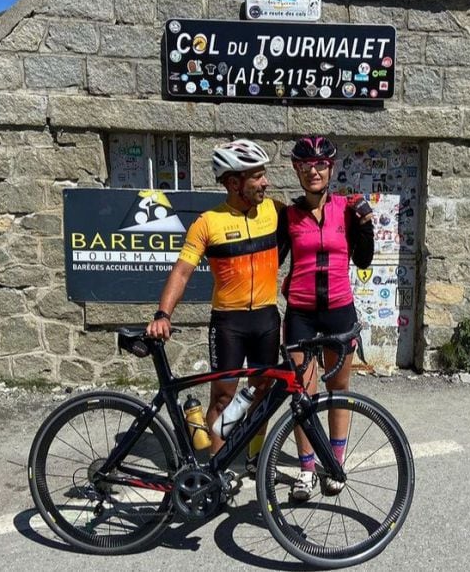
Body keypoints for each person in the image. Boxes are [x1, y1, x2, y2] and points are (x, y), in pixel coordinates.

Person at [147, 139, 283, 472]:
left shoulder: (275, 210)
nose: (265, 182)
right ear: (235, 183)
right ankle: (217, 469)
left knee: (262, 392)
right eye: (257, 176)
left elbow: (314, 215)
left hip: (267, 317)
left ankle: (254, 458)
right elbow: (181, 272)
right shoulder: (208, 223)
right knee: (223, 397)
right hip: (229, 323)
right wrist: (163, 314)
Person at [278, 135, 374, 501]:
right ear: (296, 170)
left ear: (330, 168)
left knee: (338, 390)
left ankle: (334, 464)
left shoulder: (347, 210)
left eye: (320, 165)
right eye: (306, 166)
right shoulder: (288, 215)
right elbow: (270, 258)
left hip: (338, 309)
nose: (313, 171)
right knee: (303, 393)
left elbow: (363, 260)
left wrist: (366, 226)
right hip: (300, 311)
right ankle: (306, 470)